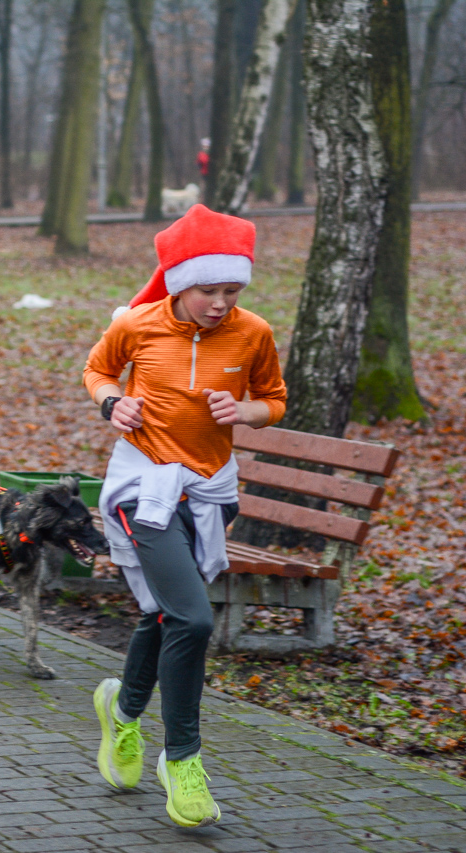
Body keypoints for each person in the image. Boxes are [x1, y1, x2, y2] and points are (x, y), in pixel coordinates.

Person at [83, 204, 287, 827]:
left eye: (232, 290)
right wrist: (113, 403)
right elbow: (95, 371)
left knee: (164, 613)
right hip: (142, 488)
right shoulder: (139, 325)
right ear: (179, 282)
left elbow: (274, 400)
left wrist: (245, 413)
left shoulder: (254, 333)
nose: (221, 302)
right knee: (194, 620)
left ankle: (121, 713)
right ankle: (183, 759)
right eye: (209, 289)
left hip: (209, 493)